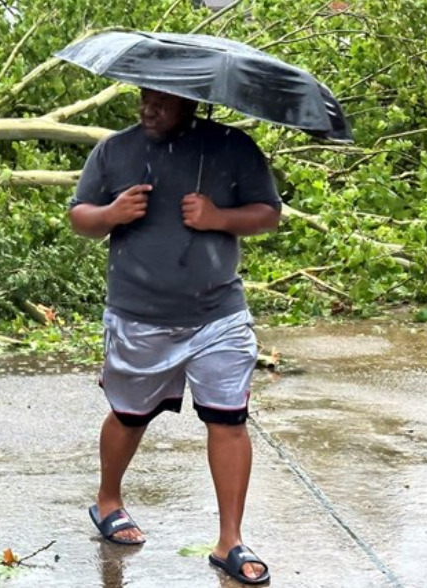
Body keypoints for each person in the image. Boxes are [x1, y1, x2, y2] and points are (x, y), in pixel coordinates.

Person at [68, 88, 282, 585]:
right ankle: (108, 501)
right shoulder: (114, 150)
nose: (148, 109)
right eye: (144, 98)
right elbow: (79, 215)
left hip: (219, 314)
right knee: (129, 414)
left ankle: (230, 541)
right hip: (138, 315)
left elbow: (268, 214)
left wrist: (218, 218)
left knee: (229, 421)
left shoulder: (232, 147)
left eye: (162, 102)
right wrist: (110, 215)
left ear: (192, 102)